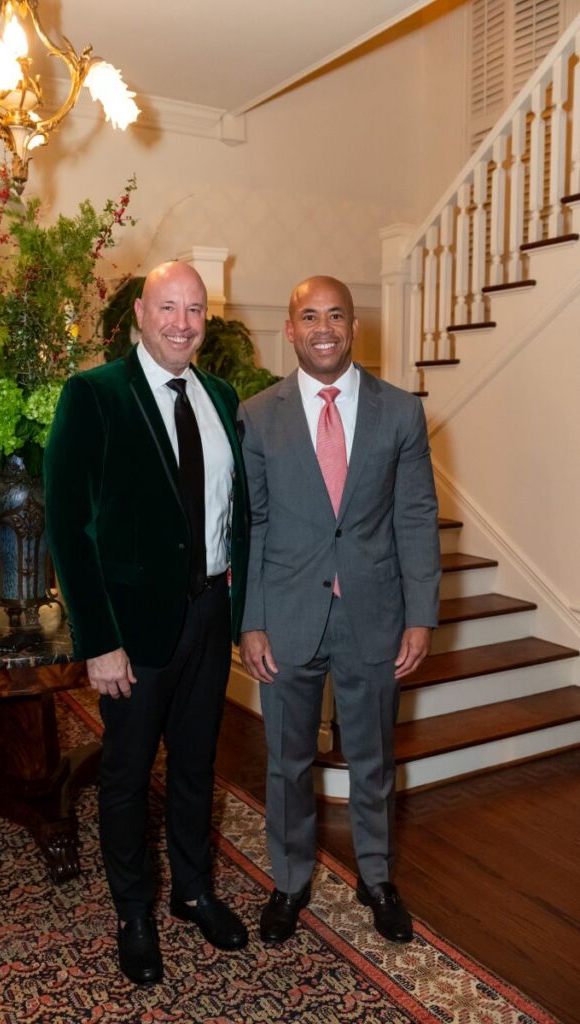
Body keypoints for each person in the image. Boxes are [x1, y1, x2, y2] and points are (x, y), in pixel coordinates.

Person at [44, 260, 249, 985]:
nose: (182, 324)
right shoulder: (94, 394)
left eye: (194, 310)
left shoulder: (222, 397)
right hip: (130, 631)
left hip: (209, 612)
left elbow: (237, 513)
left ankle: (193, 891)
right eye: (167, 308)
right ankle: (133, 911)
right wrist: (98, 639)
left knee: (196, 766)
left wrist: (242, 608)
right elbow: (69, 527)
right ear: (138, 314)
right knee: (127, 777)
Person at [239, 275, 440, 945]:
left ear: (355, 327)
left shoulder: (400, 412)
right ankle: (290, 881)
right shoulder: (257, 415)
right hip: (287, 614)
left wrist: (420, 614)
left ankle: (376, 877)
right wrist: (251, 619)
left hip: (375, 614)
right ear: (289, 330)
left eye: (335, 315)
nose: (322, 326)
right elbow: (254, 524)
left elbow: (414, 517)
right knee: (286, 761)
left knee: (373, 759)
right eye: (307, 316)